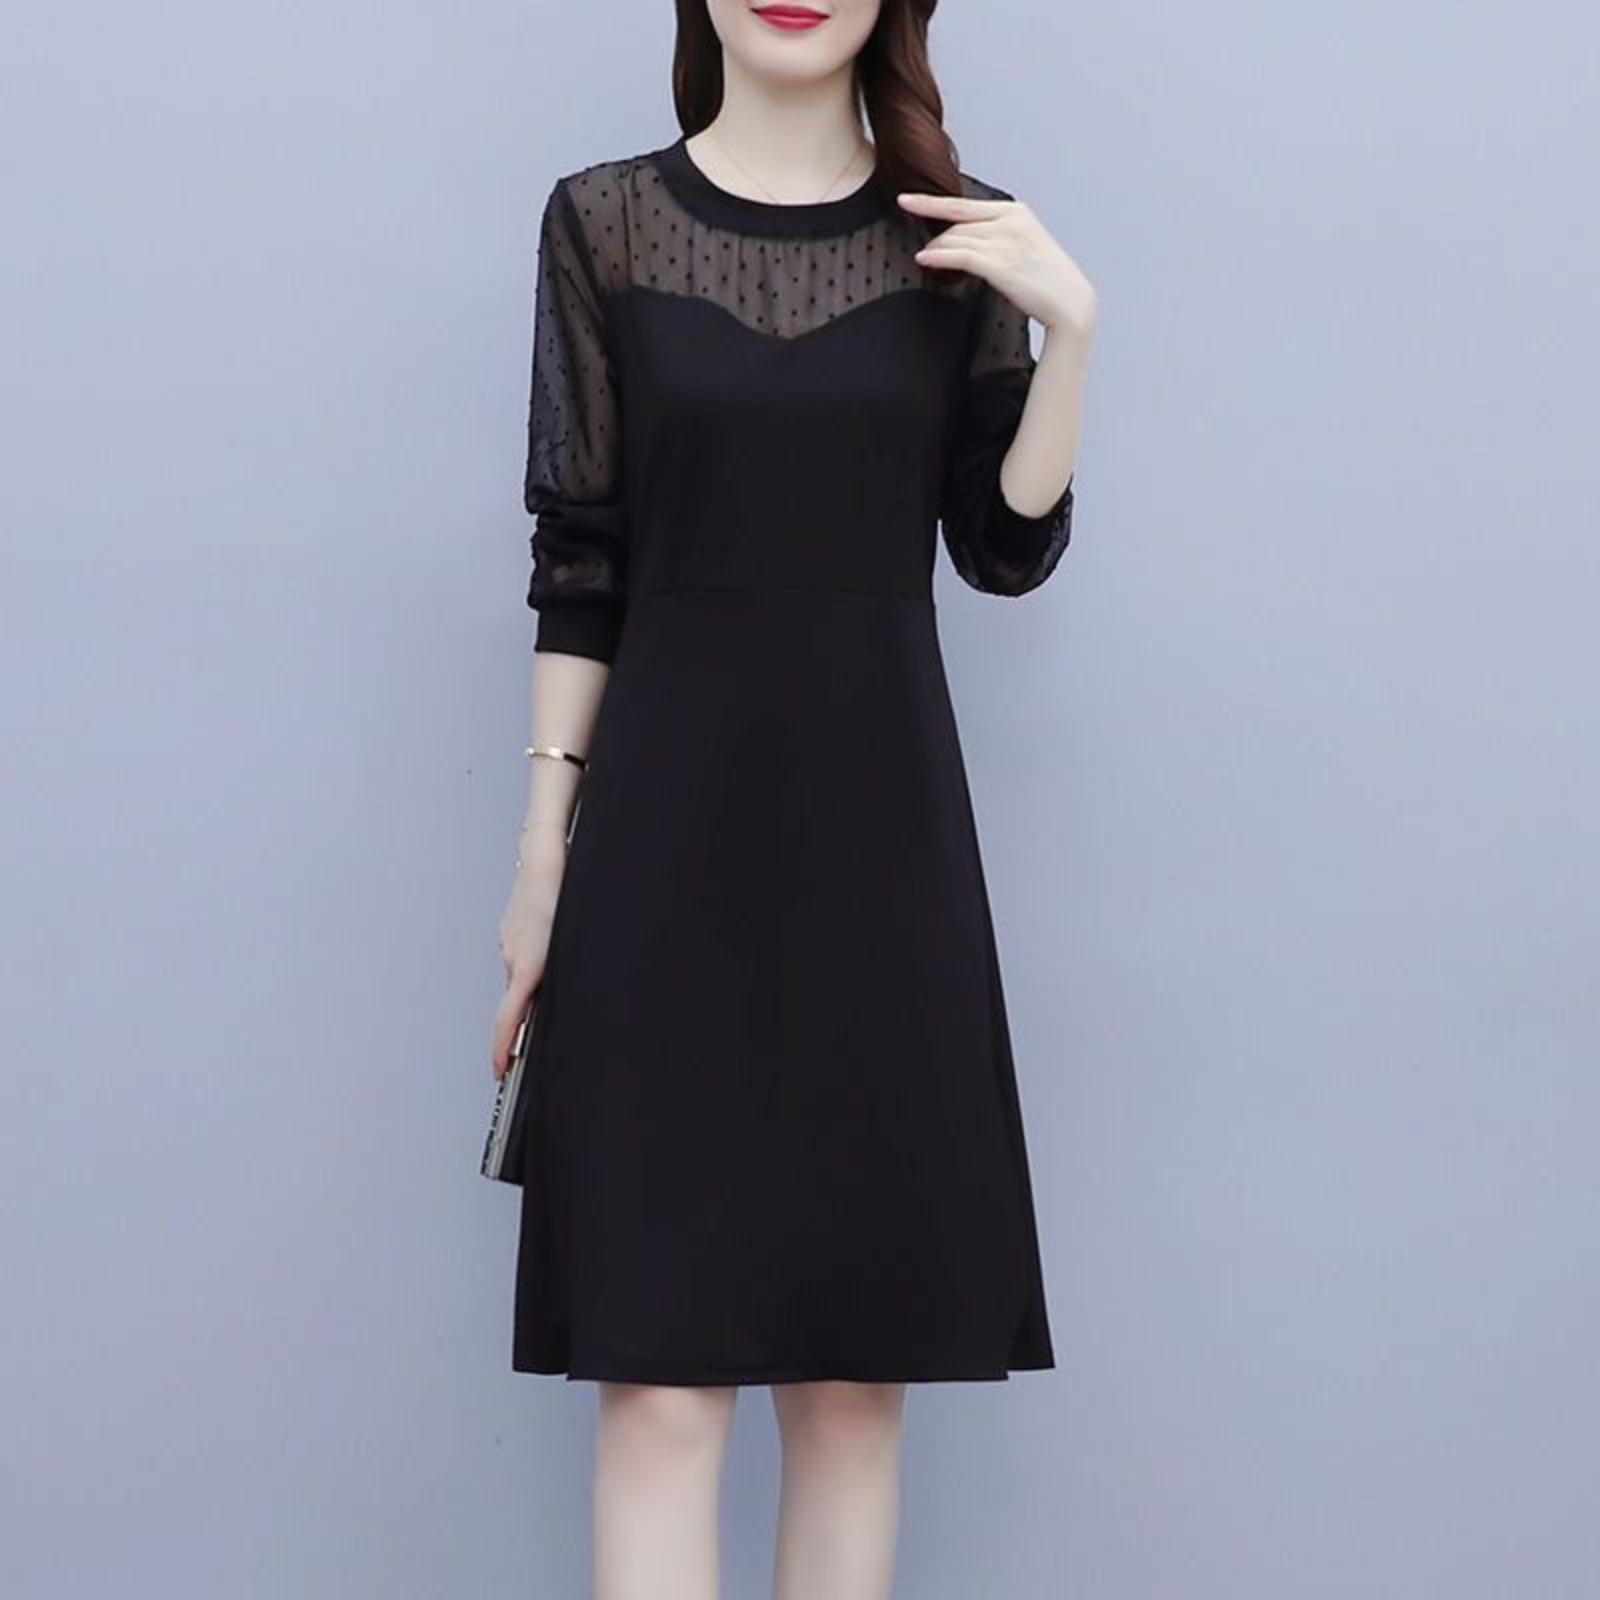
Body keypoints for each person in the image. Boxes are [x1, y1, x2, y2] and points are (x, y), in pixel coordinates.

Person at [492, 4, 1096, 1596]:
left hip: (879, 866)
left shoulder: (963, 242)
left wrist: (1074, 336)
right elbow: (580, 560)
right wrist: (542, 861)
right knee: (658, 1393)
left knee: (848, 1396)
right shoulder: (603, 222)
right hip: (659, 858)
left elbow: (1003, 549)